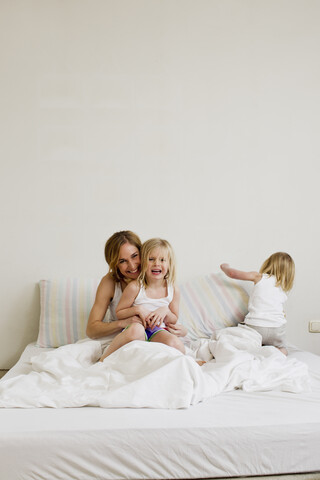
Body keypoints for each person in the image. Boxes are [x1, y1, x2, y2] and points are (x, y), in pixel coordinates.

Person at [99, 238, 185, 361]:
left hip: (158, 331)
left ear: (169, 264)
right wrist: (137, 309)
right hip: (137, 328)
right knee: (136, 329)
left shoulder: (173, 290)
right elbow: (120, 312)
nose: (157, 264)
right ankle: (103, 359)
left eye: (162, 260)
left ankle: (189, 362)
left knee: (176, 344)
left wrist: (165, 311)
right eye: (151, 259)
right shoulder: (135, 287)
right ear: (143, 262)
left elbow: (174, 319)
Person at [220, 252, 295, 355]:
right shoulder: (283, 288)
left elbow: (233, 274)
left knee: (241, 339)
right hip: (277, 329)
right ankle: (279, 352)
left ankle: (257, 350)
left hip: (256, 327)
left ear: (268, 263)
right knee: (283, 349)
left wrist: (225, 267)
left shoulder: (259, 277)